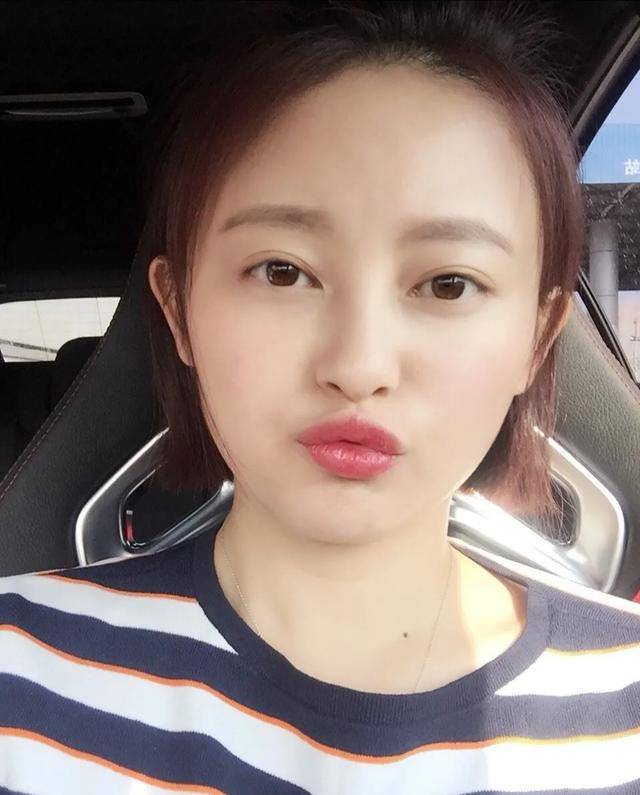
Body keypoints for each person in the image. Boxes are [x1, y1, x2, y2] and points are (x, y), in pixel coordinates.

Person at [2, 1, 640, 792]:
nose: (358, 365)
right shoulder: (15, 674)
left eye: (448, 283)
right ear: (179, 312)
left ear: (536, 341)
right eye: (282, 271)